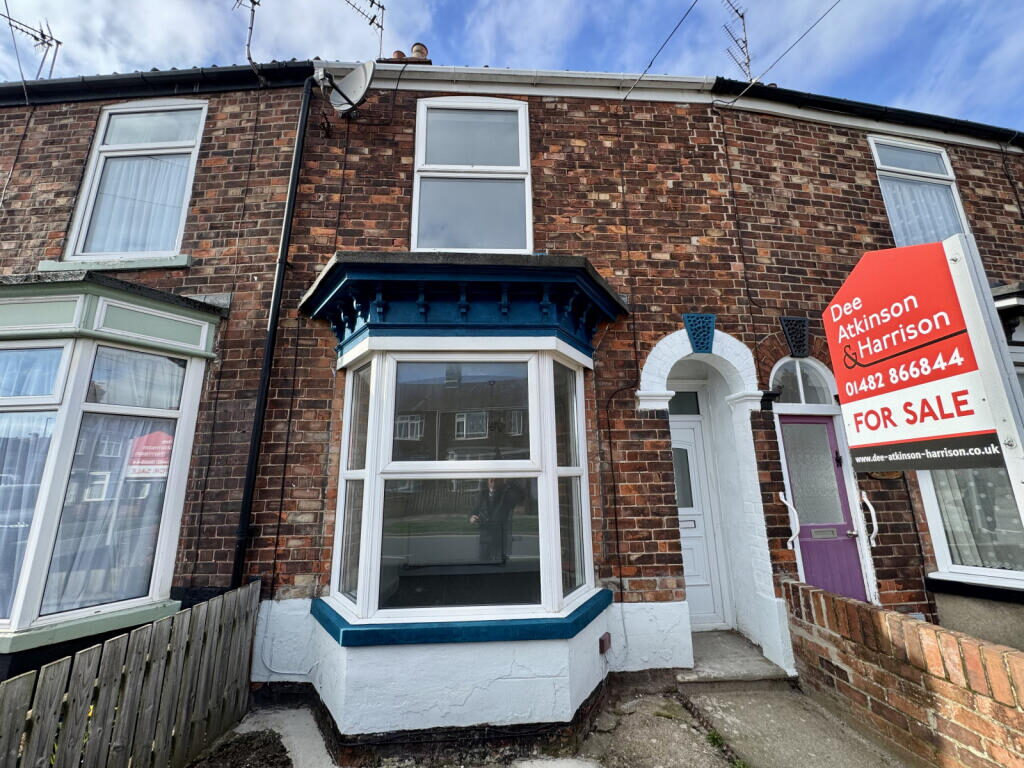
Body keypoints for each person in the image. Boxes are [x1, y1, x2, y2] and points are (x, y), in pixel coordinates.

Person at [470, 478, 523, 565]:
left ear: (501, 481)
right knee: (483, 562)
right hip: (485, 536)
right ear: (487, 482)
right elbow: (474, 511)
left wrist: (509, 481)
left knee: (499, 564)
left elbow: (520, 496)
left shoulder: (506, 496)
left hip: (500, 536)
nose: (493, 484)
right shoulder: (482, 495)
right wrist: (472, 517)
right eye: (491, 481)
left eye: (496, 481)